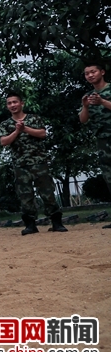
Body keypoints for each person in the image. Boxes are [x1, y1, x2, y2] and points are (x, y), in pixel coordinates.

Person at [0, 92, 66, 235]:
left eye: (15, 102)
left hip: (39, 162)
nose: (12, 105)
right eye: (9, 103)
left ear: (22, 103)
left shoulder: (34, 118)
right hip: (20, 165)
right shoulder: (5, 124)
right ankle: (30, 224)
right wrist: (17, 131)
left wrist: (25, 129)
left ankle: (56, 222)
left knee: (47, 192)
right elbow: (4, 141)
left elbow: (42, 134)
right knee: (25, 196)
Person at [79, 62, 111, 228]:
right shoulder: (88, 96)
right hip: (103, 142)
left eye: (93, 72)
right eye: (87, 73)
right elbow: (83, 120)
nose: (90, 75)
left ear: (102, 72)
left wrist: (103, 102)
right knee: (109, 178)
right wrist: (85, 106)